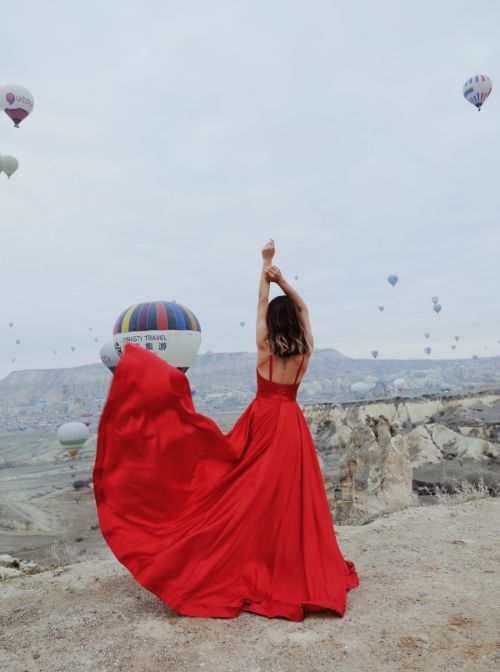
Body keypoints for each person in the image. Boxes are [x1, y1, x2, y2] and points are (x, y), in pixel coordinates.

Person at [93, 239, 359, 622]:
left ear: (273, 321)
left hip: (263, 419)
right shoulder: (306, 351)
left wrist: (265, 270)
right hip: (291, 424)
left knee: (247, 491)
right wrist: (283, 279)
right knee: (289, 496)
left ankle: (252, 556)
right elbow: (303, 307)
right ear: (297, 322)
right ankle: (286, 561)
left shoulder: (265, 347)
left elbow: (260, 307)